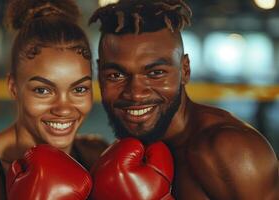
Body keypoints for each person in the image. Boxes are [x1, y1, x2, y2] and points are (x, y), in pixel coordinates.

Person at [89, 0, 279, 199]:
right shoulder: (114, 156)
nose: (135, 93)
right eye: (115, 76)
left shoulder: (230, 151)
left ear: (185, 70)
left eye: (156, 73)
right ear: (99, 74)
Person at [0, 0, 108, 199]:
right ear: (13, 87)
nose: (64, 108)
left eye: (79, 89)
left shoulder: (95, 156)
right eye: (43, 90)